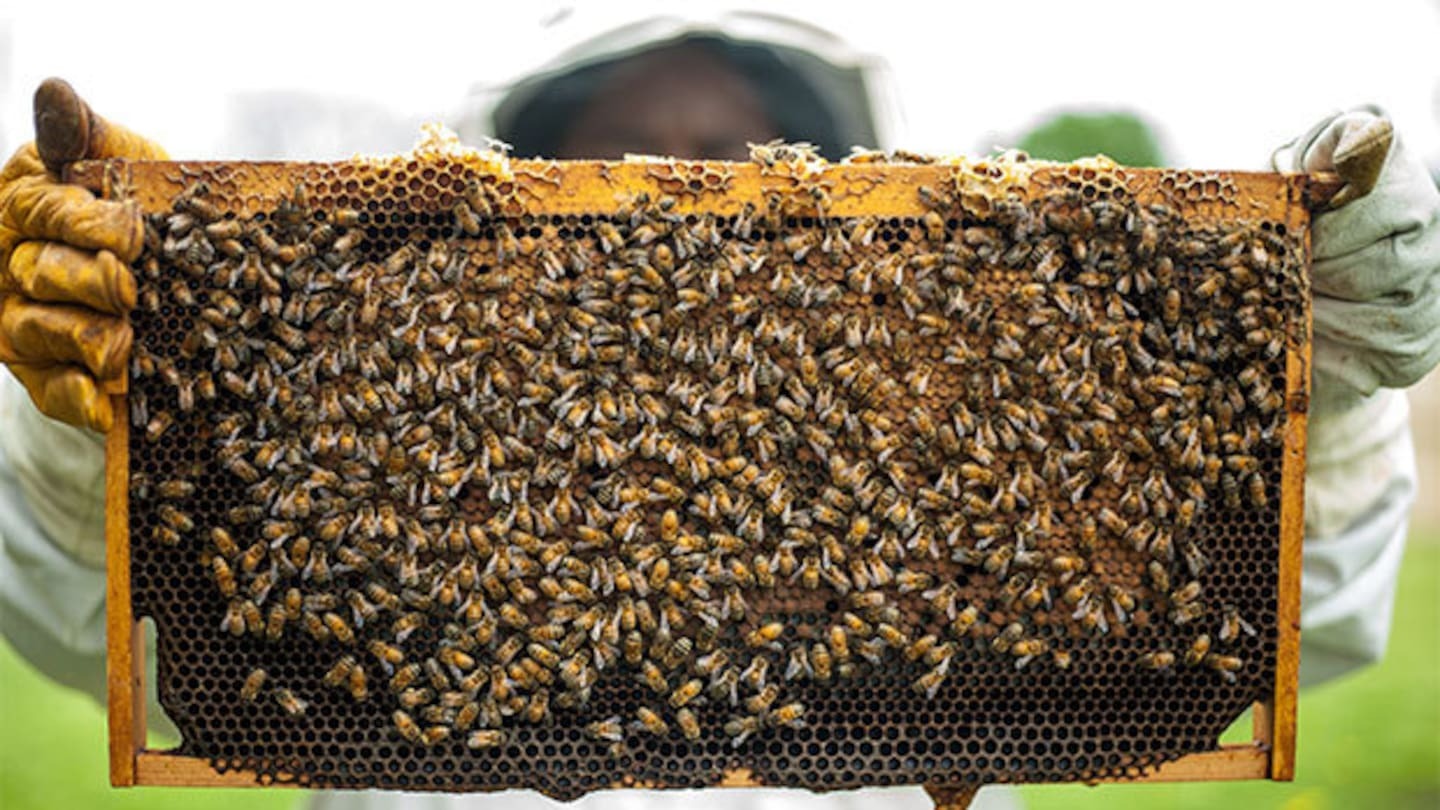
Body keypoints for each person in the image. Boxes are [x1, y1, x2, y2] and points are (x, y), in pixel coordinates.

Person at [2, 11, 1437, 810]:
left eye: (723, 152)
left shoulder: (930, 401)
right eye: (624, 156)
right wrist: (103, 419)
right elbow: (105, 627)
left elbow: (1265, 613)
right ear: (520, 177)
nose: (680, 188)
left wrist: (1340, 377)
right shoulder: (359, 406)